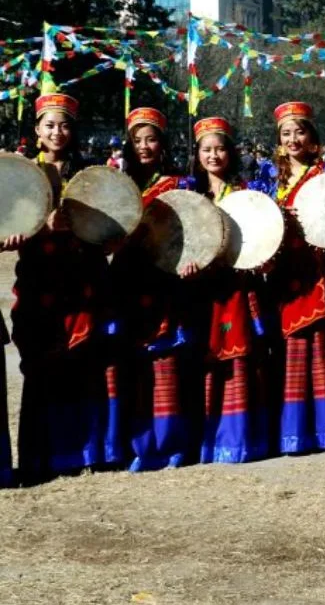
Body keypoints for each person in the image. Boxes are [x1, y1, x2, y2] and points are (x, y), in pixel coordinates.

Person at [12, 93, 119, 483]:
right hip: (40, 281)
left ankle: (82, 451)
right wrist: (30, 231)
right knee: (41, 368)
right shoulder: (22, 175)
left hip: (83, 280)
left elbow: (111, 227)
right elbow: (7, 223)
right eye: (50, 124)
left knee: (82, 367)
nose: (58, 131)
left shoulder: (89, 175)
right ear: (38, 130)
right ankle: (40, 455)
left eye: (65, 125)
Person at [253, 101, 325, 455]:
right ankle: (294, 432)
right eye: (286, 133)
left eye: (300, 132)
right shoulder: (270, 179)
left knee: (322, 345)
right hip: (285, 274)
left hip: (319, 271)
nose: (293, 139)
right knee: (290, 347)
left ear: (313, 140)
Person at [113, 106, 197, 471]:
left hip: (167, 282)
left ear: (162, 144)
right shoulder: (118, 185)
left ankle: (172, 443)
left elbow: (193, 235)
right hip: (127, 282)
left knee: (166, 364)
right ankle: (139, 444)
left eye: (151, 139)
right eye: (137, 140)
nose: (144, 146)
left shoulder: (180, 186)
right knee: (132, 365)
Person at [190, 117, 271, 464]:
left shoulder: (248, 194)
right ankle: (205, 438)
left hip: (238, 287)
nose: (213, 155)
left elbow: (263, 239)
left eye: (220, 148)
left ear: (230, 153)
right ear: (198, 154)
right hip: (200, 292)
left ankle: (240, 440)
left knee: (241, 357)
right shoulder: (191, 195)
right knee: (203, 359)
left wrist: (261, 260)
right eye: (207, 149)